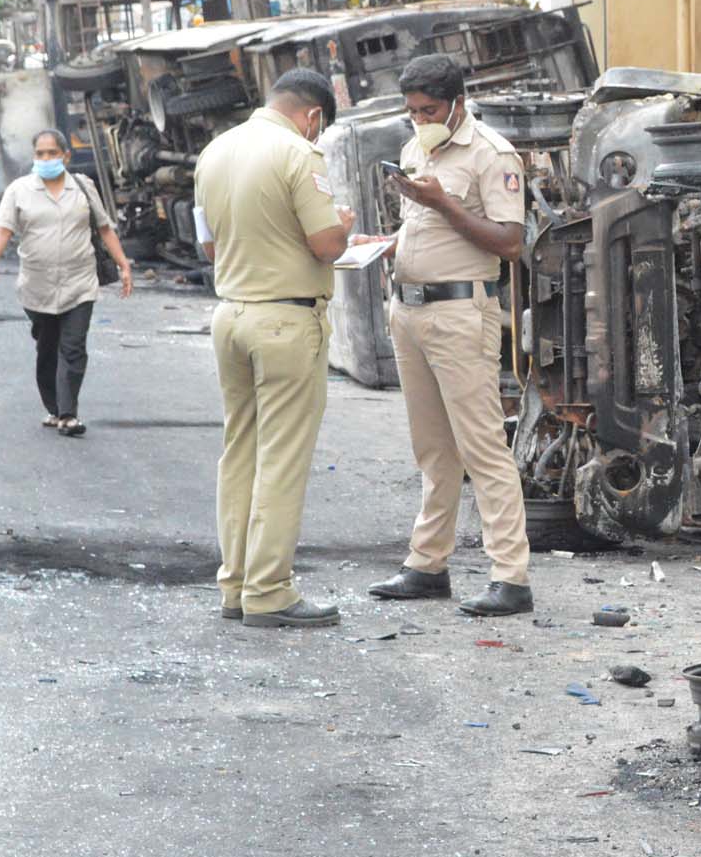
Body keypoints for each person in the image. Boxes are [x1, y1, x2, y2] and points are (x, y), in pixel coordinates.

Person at [362, 53, 532, 617]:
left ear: (457, 102)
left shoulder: (492, 154)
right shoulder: (418, 147)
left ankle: (511, 577)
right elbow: (426, 227)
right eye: (411, 111)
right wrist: (389, 242)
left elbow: (509, 242)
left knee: (482, 445)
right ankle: (427, 564)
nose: (419, 119)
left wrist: (443, 203)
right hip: (409, 309)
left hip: (460, 313)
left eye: (428, 109)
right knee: (433, 449)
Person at [192, 68, 352, 629]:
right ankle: (269, 590)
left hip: (230, 315)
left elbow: (207, 245)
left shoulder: (215, 152)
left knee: (240, 453)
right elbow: (327, 243)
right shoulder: (299, 155)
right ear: (313, 116)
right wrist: (345, 226)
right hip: (285, 319)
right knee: (281, 459)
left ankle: (234, 584)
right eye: (318, 127)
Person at [0, 129, 135, 436]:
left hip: (79, 282)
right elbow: (3, 229)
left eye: (53, 153)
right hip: (37, 285)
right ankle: (53, 407)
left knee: (74, 347)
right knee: (47, 347)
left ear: (66, 156)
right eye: (41, 154)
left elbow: (104, 229)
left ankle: (68, 413)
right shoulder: (20, 190)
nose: (47, 159)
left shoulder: (83, 187)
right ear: (34, 157)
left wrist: (123, 265)